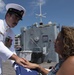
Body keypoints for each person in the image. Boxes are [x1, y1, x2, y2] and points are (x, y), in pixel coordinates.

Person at [0, 3, 27, 75]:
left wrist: (17, 65)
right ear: (7, 15)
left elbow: (11, 49)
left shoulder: (11, 33)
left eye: (18, 19)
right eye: (15, 18)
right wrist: (16, 58)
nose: (16, 22)